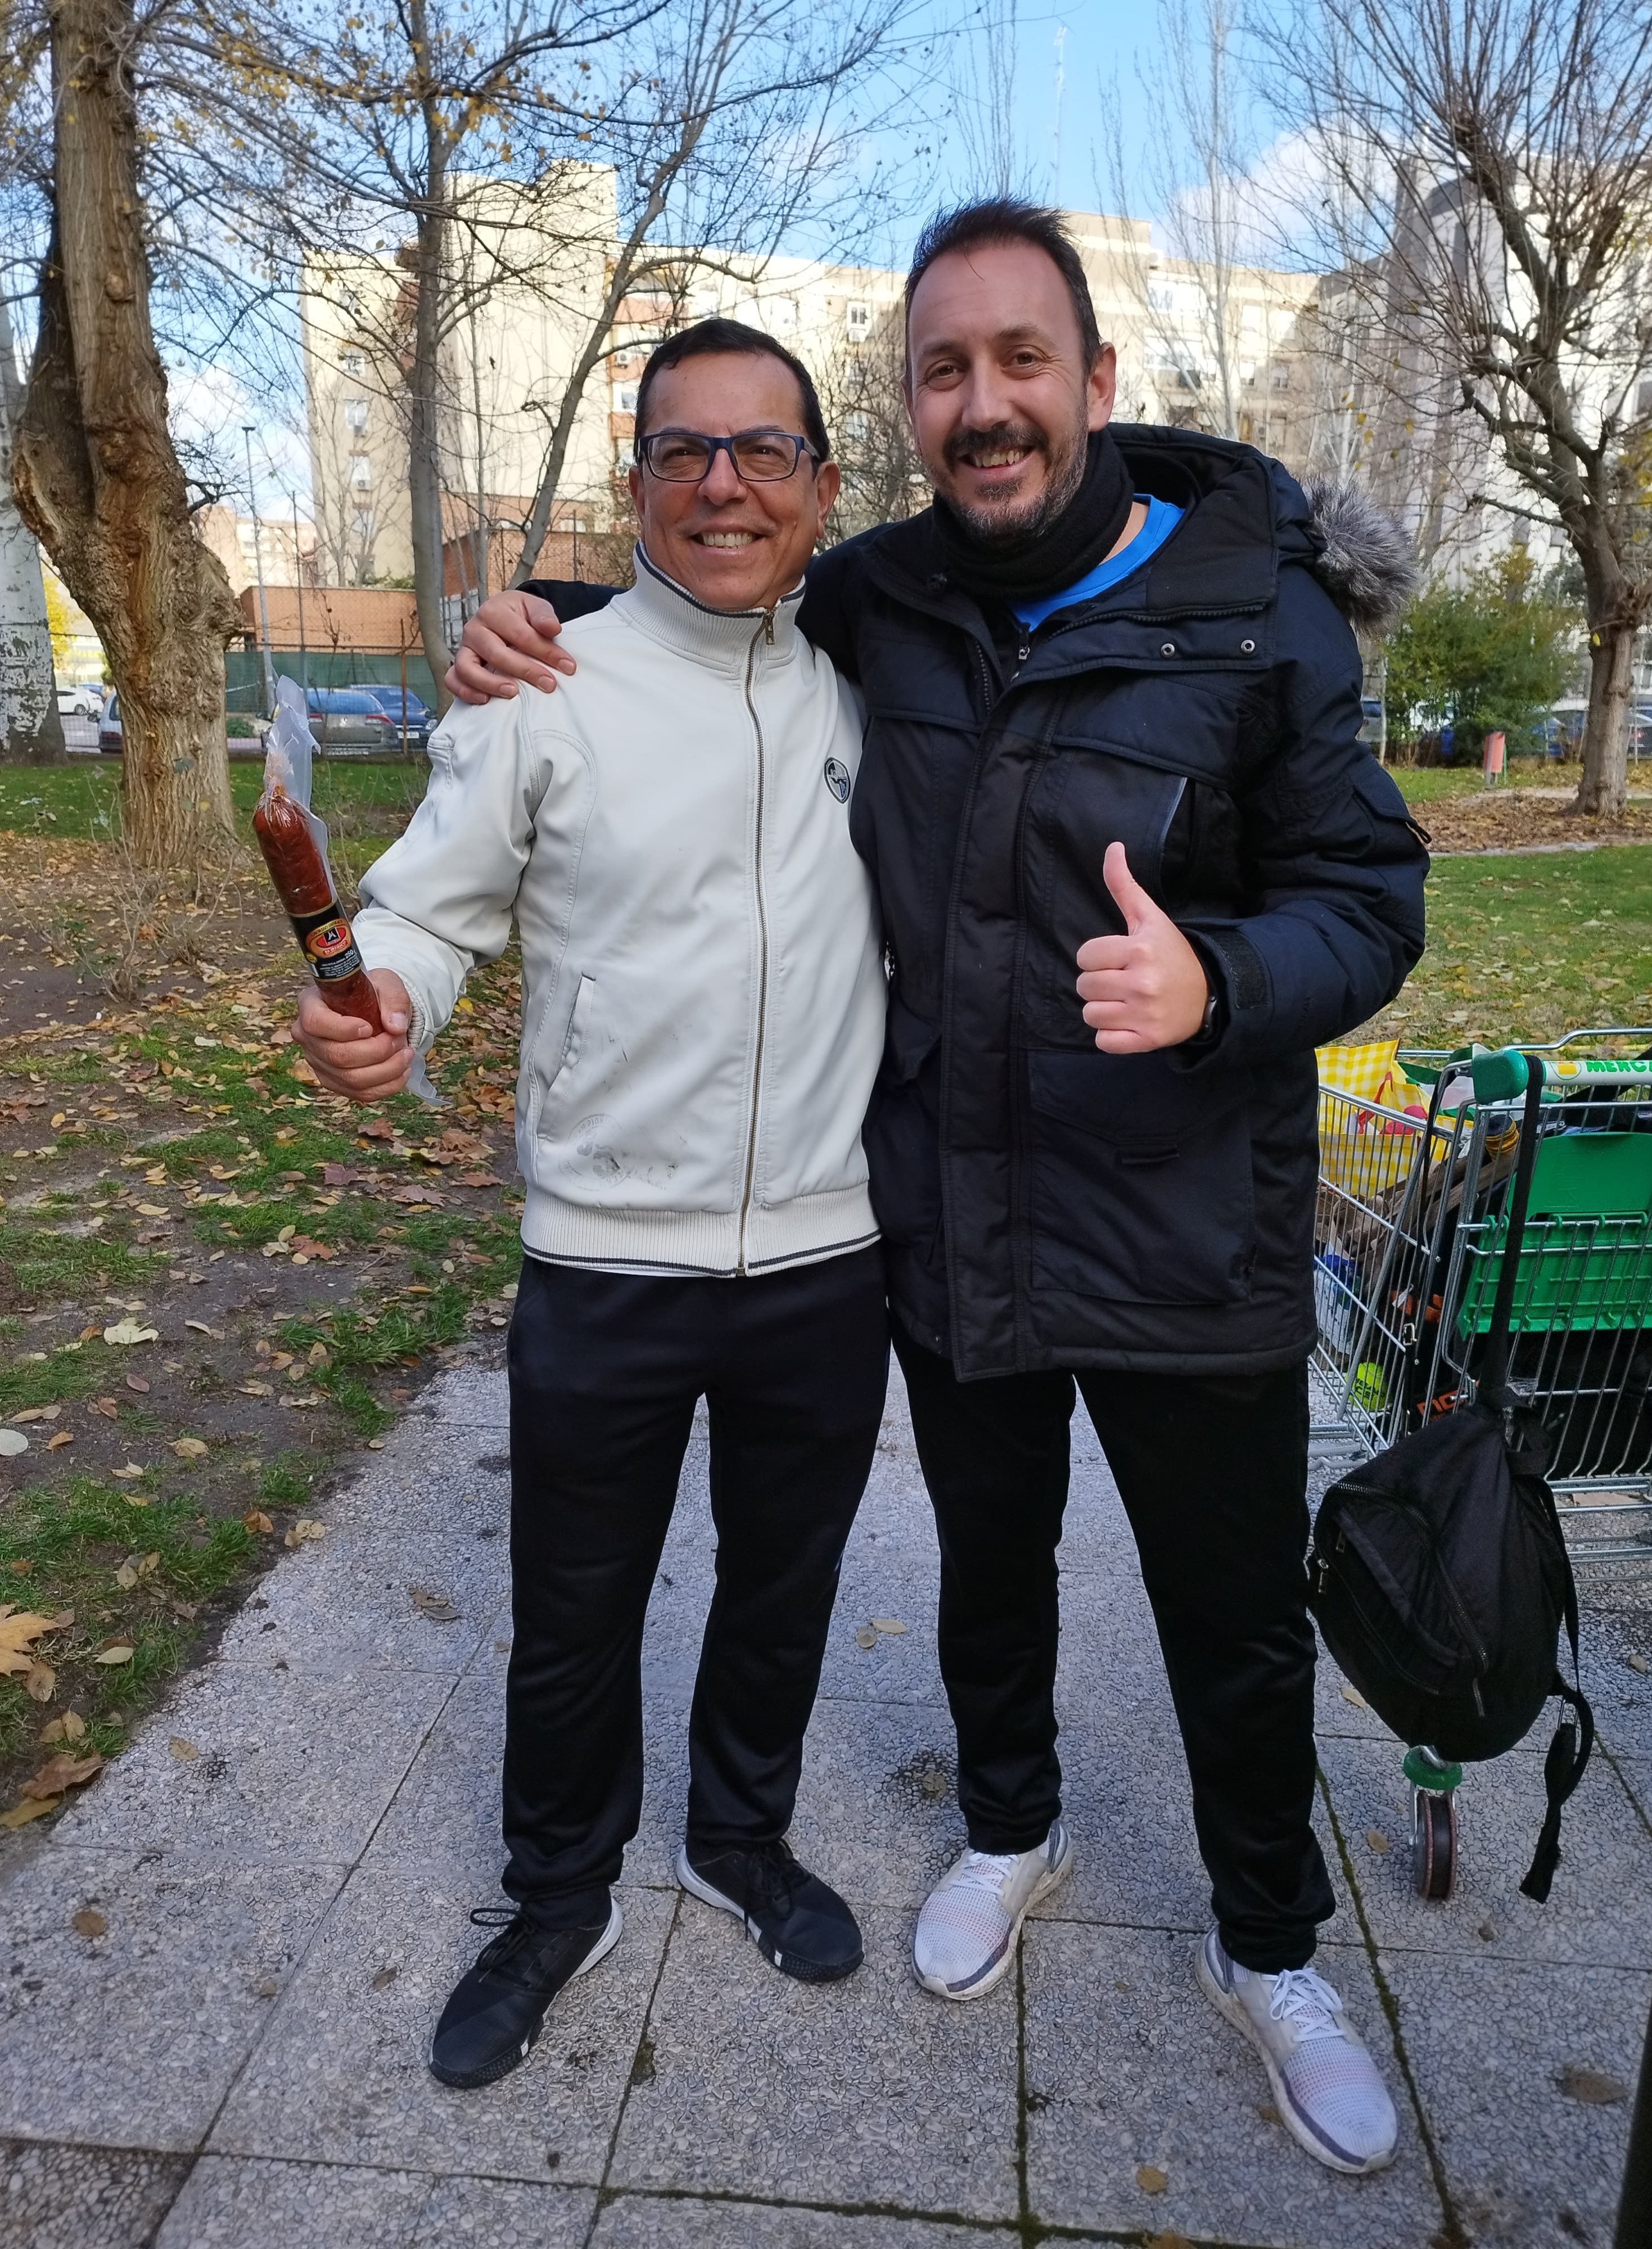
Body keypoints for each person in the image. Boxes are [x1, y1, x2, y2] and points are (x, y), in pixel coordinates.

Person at [445, 199, 1428, 2176]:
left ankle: (1272, 1948)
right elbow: (706, 591)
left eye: (1021, 360)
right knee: (994, 1565)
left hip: (1188, 1223)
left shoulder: (1261, 608)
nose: (986, 404)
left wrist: (1224, 981)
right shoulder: (880, 596)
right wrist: (532, 612)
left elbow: (1370, 897)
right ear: (906, 408)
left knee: (1232, 1619)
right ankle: (1008, 1827)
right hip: (959, 1208)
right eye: (944, 370)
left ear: (1097, 381)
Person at [292, 322, 896, 2090]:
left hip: (826, 1252)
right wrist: (385, 1006)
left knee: (781, 1588)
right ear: (634, 485)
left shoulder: (877, 684)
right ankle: (559, 1894)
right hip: (605, 1258)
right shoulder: (539, 685)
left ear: (821, 486)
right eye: (681, 451)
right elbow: (427, 910)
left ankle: (740, 1837)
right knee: (574, 1612)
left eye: (762, 450)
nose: (723, 484)